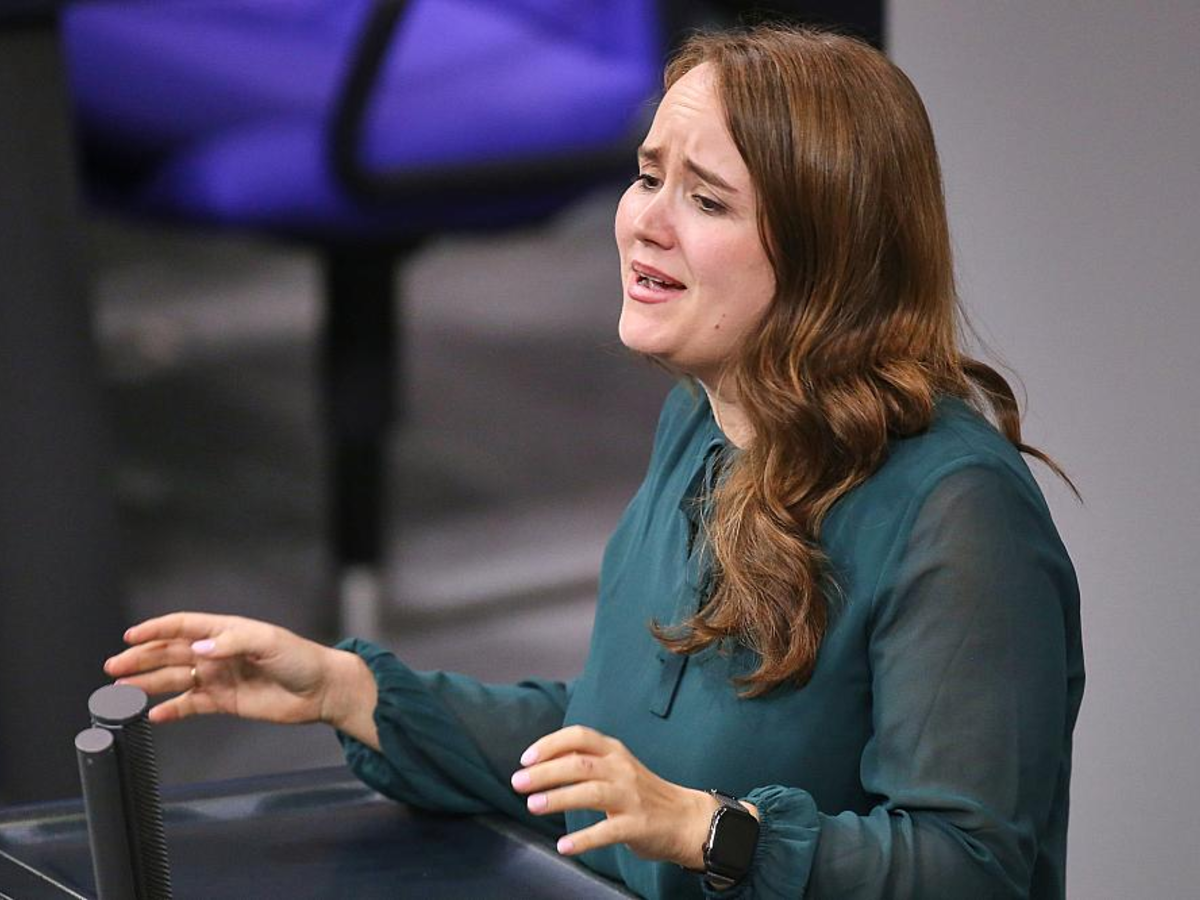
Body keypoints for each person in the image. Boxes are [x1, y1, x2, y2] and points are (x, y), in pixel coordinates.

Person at [104, 25, 1084, 899]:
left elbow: (967, 868)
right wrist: (348, 692)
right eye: (649, 177)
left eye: (706, 199)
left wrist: (709, 832)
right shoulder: (702, 424)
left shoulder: (959, 515)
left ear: (830, 256)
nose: (646, 221)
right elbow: (609, 751)